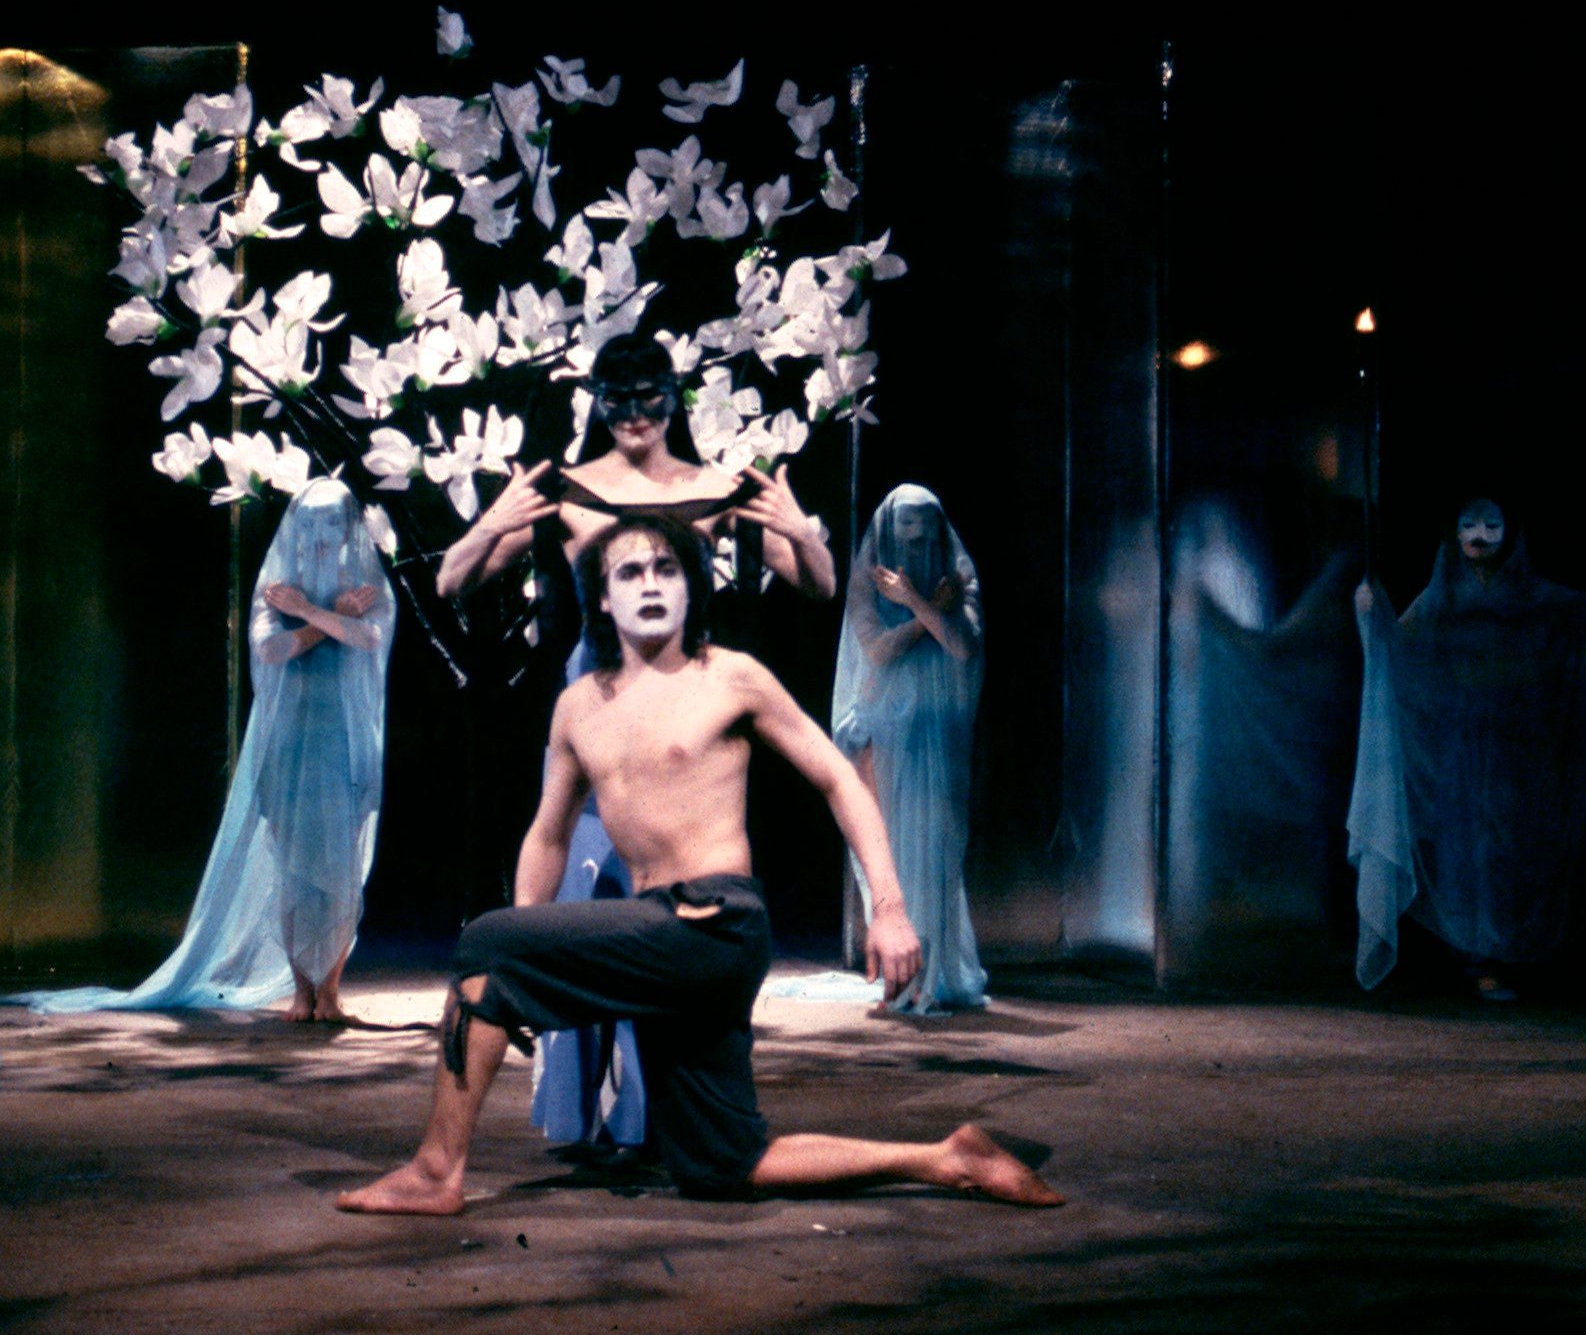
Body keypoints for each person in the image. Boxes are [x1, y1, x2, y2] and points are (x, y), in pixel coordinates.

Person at [341, 513, 1061, 1214]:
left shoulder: (731, 677)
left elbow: (838, 779)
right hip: (662, 938)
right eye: (630, 572)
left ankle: (434, 1171)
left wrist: (891, 907)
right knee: (723, 1164)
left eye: (666, 569)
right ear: (603, 598)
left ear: (690, 587)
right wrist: (532, 946)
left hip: (714, 922)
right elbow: (549, 835)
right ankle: (946, 1157)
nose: (651, 583)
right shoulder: (577, 707)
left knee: (484, 943)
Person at [436, 332, 837, 1152]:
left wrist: (802, 532)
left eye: (648, 395)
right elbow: (451, 581)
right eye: (614, 398)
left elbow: (820, 584)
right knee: (581, 901)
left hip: (678, 719)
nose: (632, 414)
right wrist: (489, 524)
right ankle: (579, 1118)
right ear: (595, 400)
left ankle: (651, 1120)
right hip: (593, 710)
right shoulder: (563, 489)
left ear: (674, 397)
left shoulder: (716, 488)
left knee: (663, 907)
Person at [17, 480, 393, 1023]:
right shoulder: (277, 588)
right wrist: (327, 617)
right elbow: (271, 649)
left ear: (348, 529)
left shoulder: (365, 587)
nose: (318, 534)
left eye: (331, 522)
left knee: (339, 869)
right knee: (292, 870)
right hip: (286, 745)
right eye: (309, 522)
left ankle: (329, 992)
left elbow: (369, 638)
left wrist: (311, 611)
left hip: (343, 745)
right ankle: (302, 991)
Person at [1348, 496, 1586, 1000]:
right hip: (1463, 755)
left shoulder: (1532, 596)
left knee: (1517, 853)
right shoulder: (1439, 599)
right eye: (1469, 524)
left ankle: (1515, 958)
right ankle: (1477, 960)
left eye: (1492, 525)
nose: (1480, 535)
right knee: (1468, 855)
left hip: (1524, 750)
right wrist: (1372, 617)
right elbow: (1398, 652)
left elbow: (1583, 616)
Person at [825, 484, 987, 1013]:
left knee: (936, 852)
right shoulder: (870, 578)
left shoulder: (956, 579)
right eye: (905, 529)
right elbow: (876, 649)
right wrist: (925, 613)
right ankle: (901, 977)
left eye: (923, 529)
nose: (914, 540)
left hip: (938, 735)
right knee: (889, 851)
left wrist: (917, 602)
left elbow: (961, 645)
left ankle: (931, 975)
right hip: (883, 732)